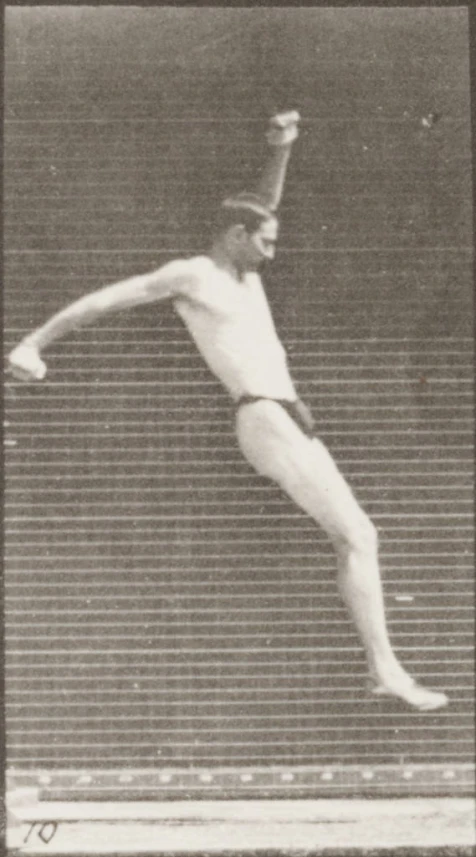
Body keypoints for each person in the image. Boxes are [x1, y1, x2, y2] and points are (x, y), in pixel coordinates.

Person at [8, 111, 448, 712]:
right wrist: (33, 344)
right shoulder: (194, 274)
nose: (272, 251)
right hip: (263, 416)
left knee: (357, 537)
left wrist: (282, 149)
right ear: (234, 236)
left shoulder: (245, 269)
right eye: (264, 242)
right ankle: (385, 671)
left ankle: (383, 669)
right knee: (359, 535)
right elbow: (102, 301)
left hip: (287, 417)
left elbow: (262, 205)